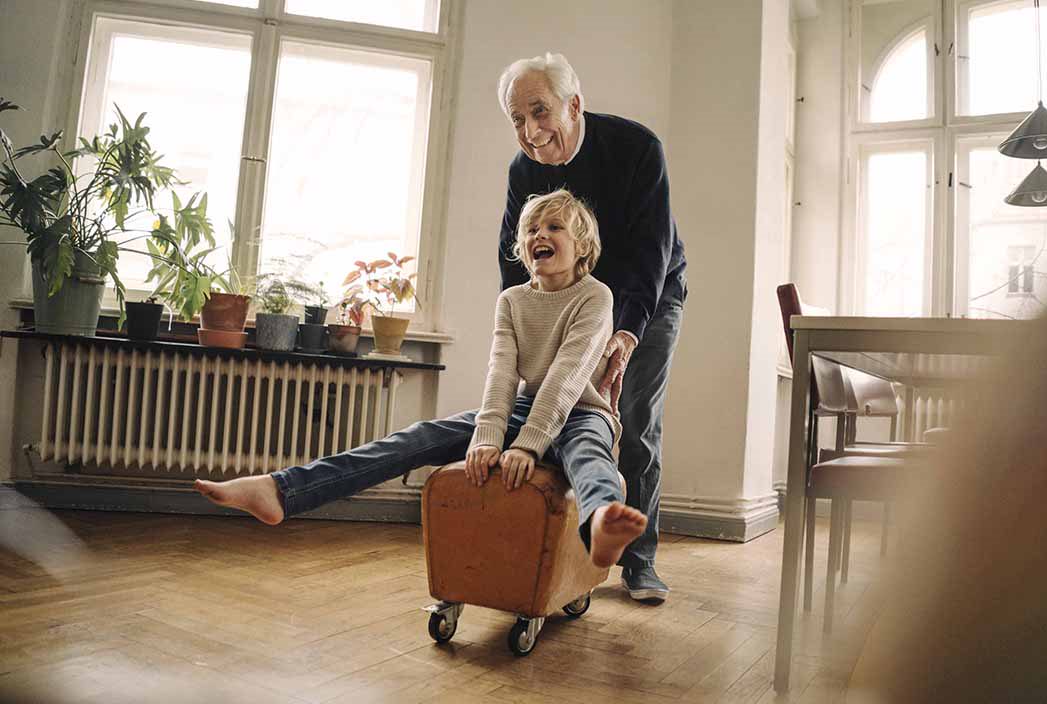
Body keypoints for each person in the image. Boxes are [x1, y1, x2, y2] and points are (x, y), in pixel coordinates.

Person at [194, 189, 647, 569]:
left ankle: (602, 522)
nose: (539, 236)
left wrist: (528, 445)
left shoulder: (595, 297)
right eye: (531, 230)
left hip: (584, 412)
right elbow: (501, 374)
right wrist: (489, 436)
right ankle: (281, 489)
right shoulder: (512, 300)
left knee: (588, 455)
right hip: (529, 409)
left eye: (554, 228)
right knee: (422, 435)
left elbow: (568, 377)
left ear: (582, 246)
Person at [497, 52, 687, 601]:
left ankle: (639, 559)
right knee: (554, 410)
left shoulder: (638, 149)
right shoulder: (522, 168)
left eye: (540, 112)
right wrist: (513, 332)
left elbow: (651, 254)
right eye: (517, 119)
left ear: (573, 106)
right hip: (567, 299)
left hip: (646, 297)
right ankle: (563, 548)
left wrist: (625, 335)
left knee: (632, 418)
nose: (531, 132)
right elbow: (512, 262)